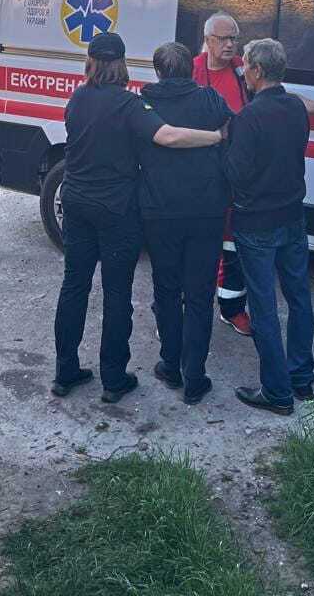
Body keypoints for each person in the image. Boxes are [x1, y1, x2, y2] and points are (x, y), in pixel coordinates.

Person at [52, 31, 225, 404]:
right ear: (122, 63)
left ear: (91, 62)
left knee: (74, 286)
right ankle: (114, 378)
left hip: (76, 202)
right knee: (116, 294)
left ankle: (65, 370)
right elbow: (168, 137)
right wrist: (214, 138)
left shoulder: (77, 98)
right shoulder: (128, 105)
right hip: (115, 209)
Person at [192, 12, 314, 337]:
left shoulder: (241, 70)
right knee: (200, 249)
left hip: (240, 174)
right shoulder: (192, 70)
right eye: (224, 38)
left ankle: (232, 309)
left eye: (235, 37)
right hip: (205, 174)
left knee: (234, 250)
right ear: (207, 41)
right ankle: (190, 312)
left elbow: (282, 95)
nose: (231, 44)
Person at [139, 42, 232, 404]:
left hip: (159, 211)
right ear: (191, 71)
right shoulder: (209, 100)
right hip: (206, 211)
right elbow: (230, 132)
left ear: (159, 71)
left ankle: (170, 365)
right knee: (199, 293)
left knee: (166, 288)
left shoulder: (144, 103)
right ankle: (195, 376)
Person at [227, 38, 314, 417]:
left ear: (258, 71)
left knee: (263, 307)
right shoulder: (296, 107)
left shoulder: (249, 117)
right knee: (299, 298)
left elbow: (236, 172)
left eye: (245, 64)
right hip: (293, 217)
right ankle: (301, 378)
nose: (242, 71)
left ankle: (277, 393)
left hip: (257, 223)